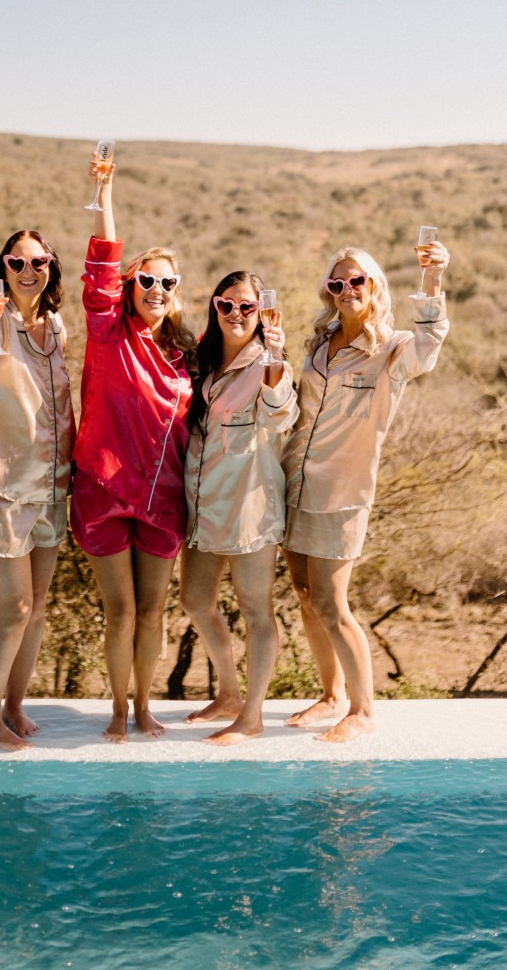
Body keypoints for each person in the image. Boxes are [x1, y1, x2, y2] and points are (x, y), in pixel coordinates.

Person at [281, 239, 450, 742]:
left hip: (343, 493)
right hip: (294, 483)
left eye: (357, 280)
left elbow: (429, 343)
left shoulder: (393, 349)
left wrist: (433, 278)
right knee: (305, 596)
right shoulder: (319, 343)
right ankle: (331, 695)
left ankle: (363, 710)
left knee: (332, 604)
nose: (347, 289)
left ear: (373, 285)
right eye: (337, 283)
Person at [71, 155, 197, 742]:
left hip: (164, 498)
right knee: (120, 612)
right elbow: (100, 268)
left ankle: (146, 705)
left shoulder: (186, 353)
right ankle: (119, 709)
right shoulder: (108, 330)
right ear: (130, 287)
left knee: (153, 612)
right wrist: (105, 196)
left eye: (167, 283)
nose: (156, 290)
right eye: (146, 280)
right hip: (103, 491)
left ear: (177, 293)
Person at [0, 231, 75, 750]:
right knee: (13, 610)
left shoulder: (55, 324)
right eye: (17, 261)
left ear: (51, 266)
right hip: (0, 487)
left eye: (39, 261)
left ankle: (14, 706)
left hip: (51, 484)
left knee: (38, 606)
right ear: (3, 267)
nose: (29, 270)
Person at [181, 272, 299, 744]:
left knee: (255, 611)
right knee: (195, 600)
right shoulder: (202, 361)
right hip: (202, 505)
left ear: (262, 313)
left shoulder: (267, 363)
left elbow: (281, 414)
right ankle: (228, 693)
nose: (235, 314)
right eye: (226, 304)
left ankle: (252, 715)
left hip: (249, 507)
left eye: (247, 306)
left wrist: (275, 359)